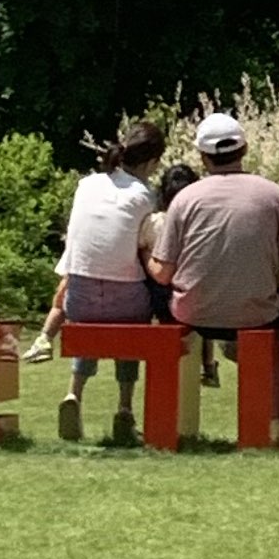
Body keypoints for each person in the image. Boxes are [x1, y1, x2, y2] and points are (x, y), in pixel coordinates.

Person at [148, 111, 279, 441]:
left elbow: (163, 272)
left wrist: (143, 259)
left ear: (202, 156)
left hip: (193, 313)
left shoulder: (184, 199)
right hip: (257, 313)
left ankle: (170, 426)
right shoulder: (272, 194)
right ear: (245, 149)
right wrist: (270, 288)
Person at [48, 119, 166, 444]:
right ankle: (125, 409)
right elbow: (146, 243)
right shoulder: (144, 196)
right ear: (153, 162)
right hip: (126, 302)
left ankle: (74, 393)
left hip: (80, 298)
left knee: (90, 317)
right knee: (135, 315)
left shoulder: (86, 185)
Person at [144, 162, 219, 388]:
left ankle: (182, 368)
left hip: (160, 291)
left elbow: (143, 249)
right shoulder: (202, 223)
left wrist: (148, 259)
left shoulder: (155, 222)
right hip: (194, 291)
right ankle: (208, 364)